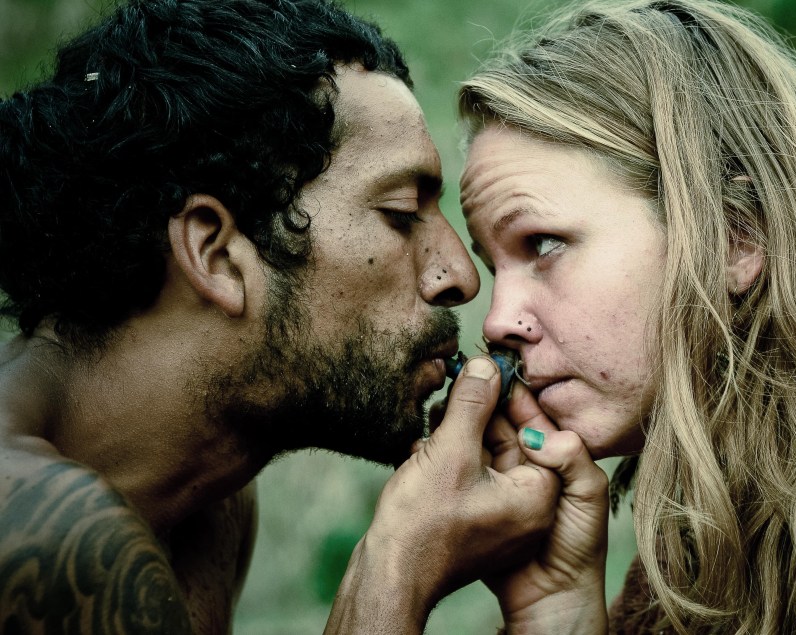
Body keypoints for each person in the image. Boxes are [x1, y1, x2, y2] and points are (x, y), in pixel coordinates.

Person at [0, 0, 564, 632]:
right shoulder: (49, 540)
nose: (459, 277)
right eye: (402, 213)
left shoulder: (209, 505)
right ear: (215, 252)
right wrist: (393, 571)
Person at [457, 0, 796, 632]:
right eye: (493, 264)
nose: (498, 320)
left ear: (735, 234)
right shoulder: (682, 566)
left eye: (544, 244)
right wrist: (557, 616)